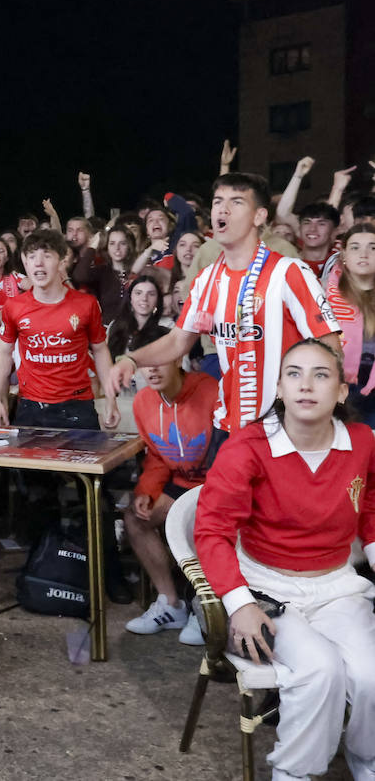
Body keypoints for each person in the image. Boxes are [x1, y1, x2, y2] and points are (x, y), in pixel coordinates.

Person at [194, 338, 375, 781]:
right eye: (293, 374)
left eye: (321, 375)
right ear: (278, 388)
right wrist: (240, 604)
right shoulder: (248, 447)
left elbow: (370, 504)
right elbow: (212, 531)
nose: (305, 386)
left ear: (342, 391)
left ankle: (366, 758)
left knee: (371, 675)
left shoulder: (362, 440)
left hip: (336, 583)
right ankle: (294, 773)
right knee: (321, 671)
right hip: (266, 586)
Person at [109, 172, 341, 435]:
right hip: (230, 422)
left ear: (259, 216)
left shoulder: (288, 272)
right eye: (218, 201)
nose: (223, 209)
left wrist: (315, 415)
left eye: (237, 202)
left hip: (286, 426)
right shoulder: (206, 279)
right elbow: (178, 341)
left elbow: (330, 346)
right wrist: (131, 360)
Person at [120, 324, 218, 642]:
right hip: (179, 483)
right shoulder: (143, 403)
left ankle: (204, 608)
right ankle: (171, 604)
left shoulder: (210, 391)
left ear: (177, 358)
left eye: (159, 360)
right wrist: (146, 491)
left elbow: (231, 454)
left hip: (214, 484)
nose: (152, 369)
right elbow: (158, 457)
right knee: (135, 519)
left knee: (205, 522)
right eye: (145, 363)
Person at [0, 229, 119, 431]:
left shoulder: (86, 304)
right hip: (31, 406)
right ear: (25, 262)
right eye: (32, 256)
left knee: (83, 462)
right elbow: (4, 353)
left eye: (47, 256)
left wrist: (111, 397)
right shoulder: (14, 306)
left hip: (78, 406)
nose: (39, 262)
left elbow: (100, 349)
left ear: (61, 262)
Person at [329, 222, 375, 427]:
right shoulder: (324, 294)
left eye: (373, 247)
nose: (364, 254)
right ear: (344, 256)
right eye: (355, 247)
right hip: (336, 390)